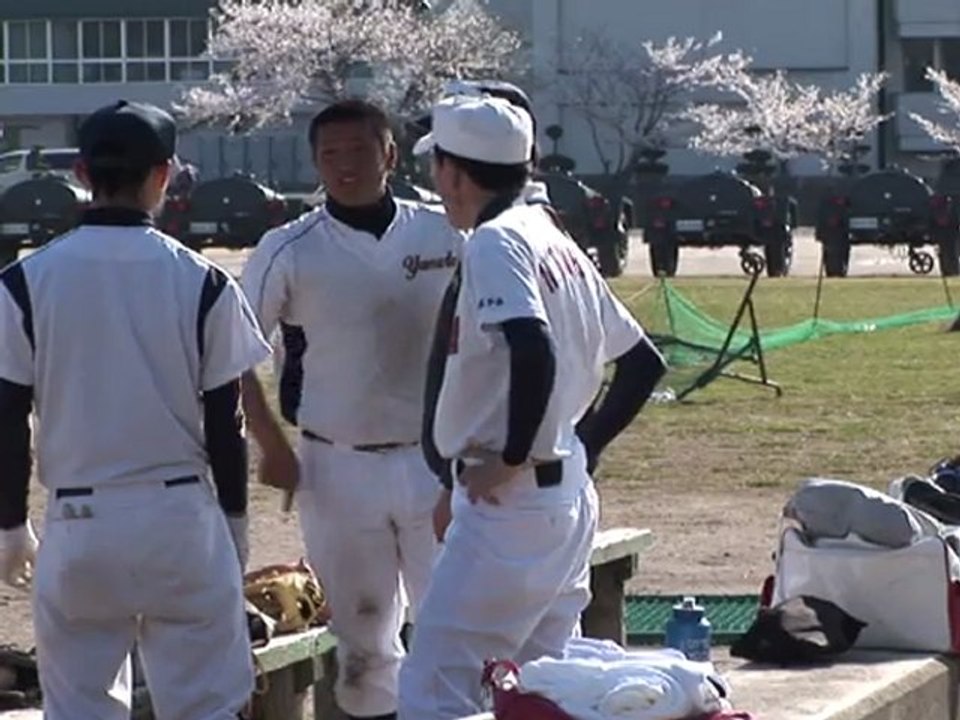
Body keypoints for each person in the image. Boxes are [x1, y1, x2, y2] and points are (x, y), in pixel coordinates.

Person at [398, 95, 667, 719]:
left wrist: (516, 456)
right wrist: (582, 445)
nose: (434, 183)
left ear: (456, 172)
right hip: (560, 494)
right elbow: (642, 361)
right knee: (544, 681)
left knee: (435, 686)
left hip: (511, 504)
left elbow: (532, 345)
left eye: (436, 166)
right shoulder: (551, 237)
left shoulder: (496, 242)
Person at [0, 100, 270, 720]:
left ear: (84, 172)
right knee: (206, 706)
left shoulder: (24, 281)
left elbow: (9, 415)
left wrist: (11, 523)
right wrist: (233, 526)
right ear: (165, 173)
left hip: (79, 519)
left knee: (81, 710)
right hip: (180, 519)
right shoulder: (202, 280)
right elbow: (225, 422)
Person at [239, 99, 463, 720]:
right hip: (334, 465)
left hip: (434, 462)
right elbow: (230, 353)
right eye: (329, 155)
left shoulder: (444, 234)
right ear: (314, 162)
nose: (344, 166)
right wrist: (271, 444)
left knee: (451, 626)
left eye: (359, 151)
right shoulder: (288, 248)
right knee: (363, 638)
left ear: (389, 154)